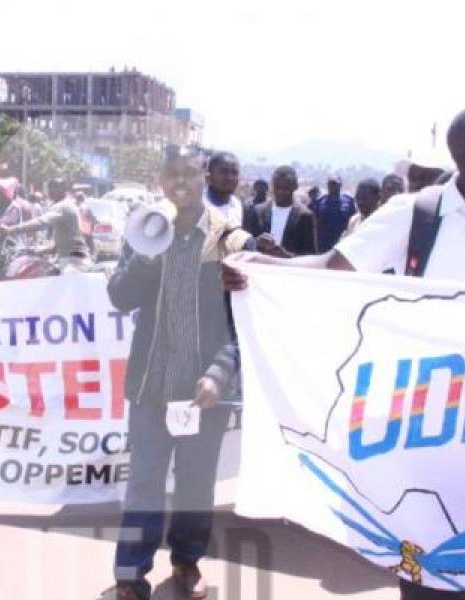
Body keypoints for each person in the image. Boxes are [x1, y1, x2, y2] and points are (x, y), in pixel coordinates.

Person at [223, 104, 465, 600]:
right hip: (429, 438)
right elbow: (334, 269)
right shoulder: (418, 215)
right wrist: (261, 268)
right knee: (433, 576)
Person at [106, 146, 251, 600]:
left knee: (195, 484)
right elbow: (120, 297)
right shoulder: (145, 231)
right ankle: (130, 575)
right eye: (173, 175)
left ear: (204, 176)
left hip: (203, 392)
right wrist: (148, 254)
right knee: (143, 483)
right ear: (162, 181)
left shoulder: (230, 238)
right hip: (151, 387)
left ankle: (187, 562)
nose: (182, 182)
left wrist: (218, 373)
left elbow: (242, 323)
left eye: (191, 172)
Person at [0, 177, 92, 273]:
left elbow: (42, 222)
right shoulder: (67, 204)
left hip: (74, 261)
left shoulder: (63, 206)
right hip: (71, 258)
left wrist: (10, 229)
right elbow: (64, 243)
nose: (52, 191)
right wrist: (36, 251)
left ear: (65, 190)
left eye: (56, 188)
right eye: (50, 188)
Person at [244, 165, 316, 256]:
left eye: (286, 188)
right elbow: (245, 245)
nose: (280, 192)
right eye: (277, 187)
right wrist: (257, 243)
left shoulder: (305, 215)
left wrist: (286, 256)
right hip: (258, 268)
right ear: (272, 186)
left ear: (295, 186)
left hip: (288, 269)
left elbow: (310, 256)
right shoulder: (258, 211)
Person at [309, 174, 357, 252]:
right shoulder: (319, 201)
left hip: (343, 244)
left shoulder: (349, 201)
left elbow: (354, 221)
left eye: (335, 184)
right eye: (330, 184)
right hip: (324, 245)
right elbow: (314, 225)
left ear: (340, 185)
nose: (332, 186)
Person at [203, 151, 243, 226]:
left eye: (234, 173)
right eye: (224, 172)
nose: (230, 178)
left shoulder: (237, 205)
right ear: (208, 178)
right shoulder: (197, 206)